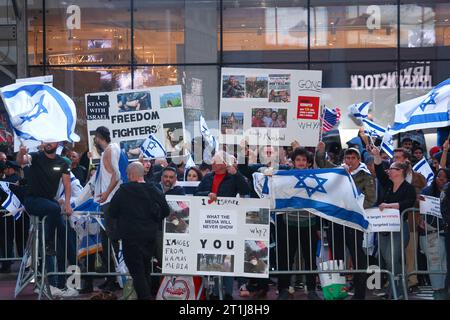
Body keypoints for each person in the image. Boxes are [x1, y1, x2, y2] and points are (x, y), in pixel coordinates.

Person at [316, 142, 376, 299]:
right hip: (336, 220)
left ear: (358, 160)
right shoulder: (338, 171)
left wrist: (353, 208)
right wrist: (321, 151)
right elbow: (322, 164)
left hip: (354, 222)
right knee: (337, 257)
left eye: (353, 158)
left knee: (358, 257)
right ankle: (338, 291)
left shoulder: (365, 174)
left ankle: (359, 293)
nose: (350, 160)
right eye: (347, 157)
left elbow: (371, 198)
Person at [16, 142, 76, 293]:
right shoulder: (36, 156)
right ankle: (48, 243)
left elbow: (67, 185)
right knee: (55, 209)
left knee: (64, 235)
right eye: (46, 141)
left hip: (49, 204)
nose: (49, 143)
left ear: (57, 143)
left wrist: (68, 204)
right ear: (43, 144)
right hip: (33, 200)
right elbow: (21, 161)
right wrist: (21, 152)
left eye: (52, 140)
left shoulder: (63, 162)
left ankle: (61, 283)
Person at [109, 162, 170, 299]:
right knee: (145, 270)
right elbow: (165, 210)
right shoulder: (153, 189)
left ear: (130, 174)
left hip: (130, 237)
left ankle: (145, 297)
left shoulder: (123, 190)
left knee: (137, 273)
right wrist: (155, 218)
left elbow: (112, 211)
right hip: (149, 236)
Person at [196, 151, 250, 300]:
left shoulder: (233, 178)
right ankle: (213, 290)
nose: (212, 163)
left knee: (227, 257)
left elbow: (246, 191)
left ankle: (227, 292)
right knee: (211, 255)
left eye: (216, 161)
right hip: (208, 222)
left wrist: (237, 174)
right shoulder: (208, 177)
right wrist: (208, 194)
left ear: (224, 165)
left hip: (227, 223)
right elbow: (196, 193)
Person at [369, 145, 417, 298]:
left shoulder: (408, 188)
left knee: (392, 257)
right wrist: (376, 156)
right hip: (385, 229)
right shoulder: (388, 185)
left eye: (392, 169)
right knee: (389, 260)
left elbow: (408, 203)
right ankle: (396, 287)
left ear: (401, 171)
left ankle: (398, 288)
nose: (389, 171)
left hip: (399, 228)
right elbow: (379, 173)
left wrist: (388, 205)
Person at [276, 147, 320, 300]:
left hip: (309, 224)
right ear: (293, 162)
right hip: (289, 223)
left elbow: (320, 201)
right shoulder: (285, 176)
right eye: (298, 160)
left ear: (308, 163)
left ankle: (312, 289)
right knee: (286, 258)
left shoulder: (315, 178)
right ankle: (283, 289)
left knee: (309, 259)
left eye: (303, 160)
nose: (301, 162)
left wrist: (319, 227)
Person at [93, 126, 122, 292]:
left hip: (110, 202)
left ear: (98, 137)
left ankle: (115, 279)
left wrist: (106, 193)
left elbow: (116, 175)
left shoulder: (110, 150)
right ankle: (110, 278)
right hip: (108, 202)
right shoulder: (111, 150)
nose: (95, 141)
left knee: (111, 242)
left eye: (95, 138)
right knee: (107, 242)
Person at [419, 168, 450, 291]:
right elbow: (420, 208)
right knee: (435, 262)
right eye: (438, 177)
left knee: (445, 263)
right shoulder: (427, 191)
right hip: (431, 230)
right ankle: (438, 290)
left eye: (444, 178)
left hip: (445, 230)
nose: (440, 180)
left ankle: (445, 288)